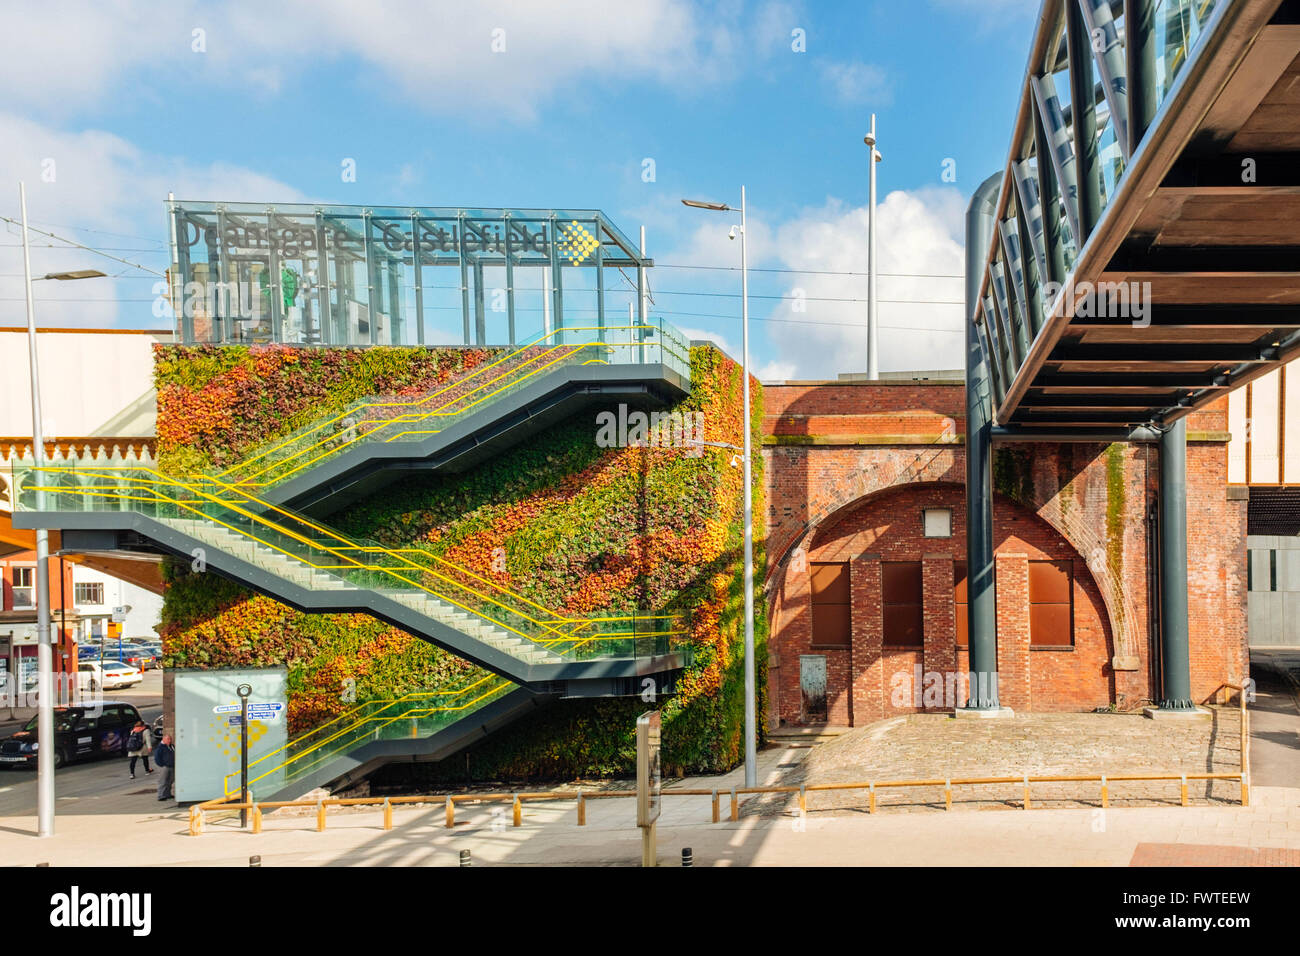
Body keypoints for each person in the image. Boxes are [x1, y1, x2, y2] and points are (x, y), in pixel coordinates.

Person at [154, 733, 175, 801]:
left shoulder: (172, 746)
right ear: (164, 739)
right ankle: (161, 795)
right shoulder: (160, 747)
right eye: (168, 739)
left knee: (170, 781)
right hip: (164, 766)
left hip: (171, 766)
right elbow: (157, 757)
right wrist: (162, 765)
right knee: (162, 781)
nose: (170, 740)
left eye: (170, 739)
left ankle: (167, 794)